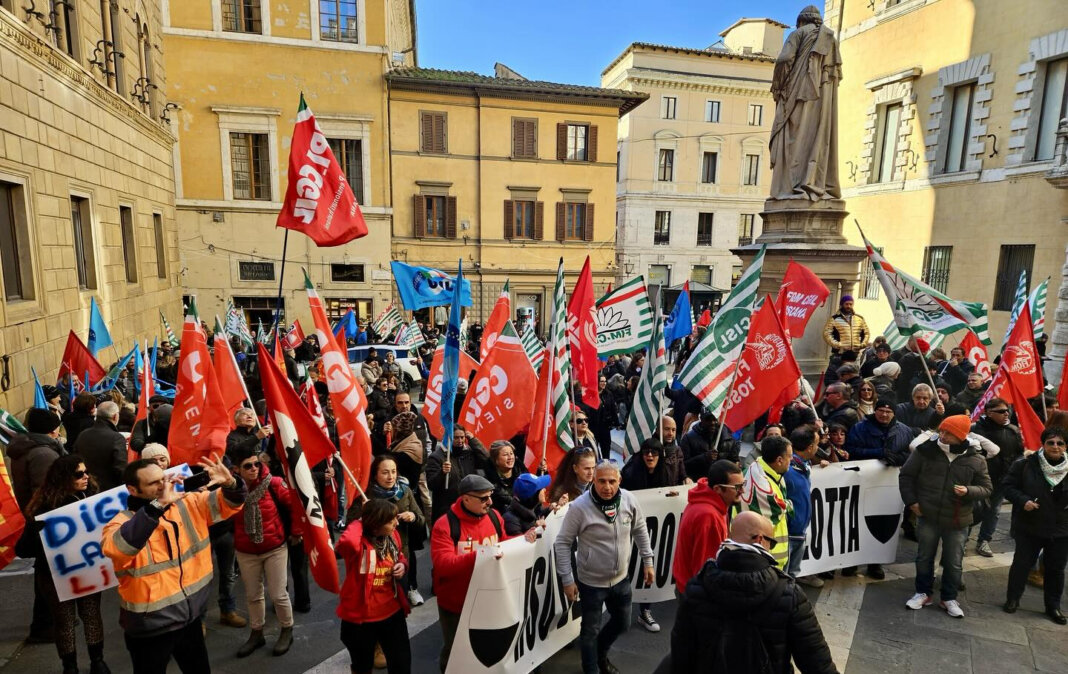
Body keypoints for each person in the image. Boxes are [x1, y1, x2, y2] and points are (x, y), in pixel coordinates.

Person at [102, 456, 245, 673]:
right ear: (133, 489)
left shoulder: (188, 503)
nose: (163, 486)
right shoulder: (120, 523)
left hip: (190, 618)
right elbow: (118, 548)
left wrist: (231, 484)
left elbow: (230, 504)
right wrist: (158, 506)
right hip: (150, 629)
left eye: (163, 479)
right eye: (153, 483)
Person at [670, 511, 839, 674]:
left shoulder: (697, 587)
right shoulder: (789, 593)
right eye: (771, 542)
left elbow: (681, 655)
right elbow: (817, 663)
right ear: (759, 539)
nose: (772, 548)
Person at [555, 461, 654, 674]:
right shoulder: (579, 507)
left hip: (621, 580)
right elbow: (562, 543)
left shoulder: (629, 499)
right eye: (601, 481)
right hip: (590, 583)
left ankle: (600, 654)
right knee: (590, 631)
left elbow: (640, 529)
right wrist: (567, 579)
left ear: (620, 481)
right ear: (593, 480)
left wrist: (648, 560)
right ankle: (592, 669)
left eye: (612, 481)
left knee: (622, 624)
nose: (607, 487)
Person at [431, 475, 530, 672]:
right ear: (466, 498)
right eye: (484, 498)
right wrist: (481, 555)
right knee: (455, 651)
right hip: (456, 604)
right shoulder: (444, 525)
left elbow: (502, 543)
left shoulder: (494, 517)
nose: (490, 502)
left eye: (490, 496)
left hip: (487, 598)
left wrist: (525, 539)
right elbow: (443, 565)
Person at [23, 455, 110, 674]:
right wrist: (37, 532)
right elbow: (22, 550)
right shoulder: (44, 506)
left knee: (91, 616)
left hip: (86, 569)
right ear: (63, 477)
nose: (86, 477)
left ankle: (97, 662)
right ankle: (69, 666)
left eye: (86, 472)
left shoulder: (91, 498)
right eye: (79, 474)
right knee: (64, 621)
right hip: (55, 573)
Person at [899, 415, 992, 618]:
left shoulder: (976, 459)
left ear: (960, 435)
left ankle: (949, 598)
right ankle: (922, 592)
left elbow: (986, 488)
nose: (942, 435)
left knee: (953, 561)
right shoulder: (925, 452)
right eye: (941, 431)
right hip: (928, 515)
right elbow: (906, 476)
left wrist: (968, 491)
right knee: (924, 557)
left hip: (958, 520)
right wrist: (912, 503)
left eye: (948, 432)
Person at [229, 447, 295, 657]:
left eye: (257, 463)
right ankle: (257, 633)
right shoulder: (230, 490)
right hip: (246, 551)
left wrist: (297, 532)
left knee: (278, 594)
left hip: (275, 547)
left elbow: (295, 505)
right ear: (236, 470)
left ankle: (287, 630)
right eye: (248, 466)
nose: (254, 469)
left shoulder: (273, 483)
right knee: (253, 596)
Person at [337, 498, 412, 674]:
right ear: (375, 524)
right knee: (362, 665)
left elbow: (399, 555)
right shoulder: (358, 545)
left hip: (392, 613)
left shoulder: (392, 536)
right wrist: (361, 519)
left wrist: (402, 565)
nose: (396, 522)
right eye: (389, 520)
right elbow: (346, 542)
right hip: (362, 619)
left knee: (401, 663)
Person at [1002, 427, 1068, 625]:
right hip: (1030, 525)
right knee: (1022, 565)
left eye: (1060, 443)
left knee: (1056, 569)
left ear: (1066, 446)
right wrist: (1023, 500)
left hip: (1061, 529)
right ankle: (1013, 599)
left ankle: (1053, 606)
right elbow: (1008, 486)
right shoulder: (1025, 464)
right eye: (1051, 442)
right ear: (1043, 444)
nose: (1055, 447)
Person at [346, 454, 425, 608]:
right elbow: (350, 525)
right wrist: (363, 511)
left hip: (401, 551)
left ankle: (410, 590)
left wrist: (413, 516)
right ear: (375, 474)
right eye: (385, 472)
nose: (391, 477)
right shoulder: (365, 494)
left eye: (394, 471)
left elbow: (421, 519)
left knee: (399, 592)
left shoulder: (405, 491)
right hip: (373, 555)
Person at [620, 438, 673, 633]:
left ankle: (645, 611)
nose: (650, 456)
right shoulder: (630, 473)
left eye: (654, 452)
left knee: (648, 568)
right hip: (629, 531)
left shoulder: (666, 473)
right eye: (646, 452)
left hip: (653, 531)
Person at [672, 459, 744, 591]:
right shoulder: (708, 516)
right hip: (698, 594)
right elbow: (705, 568)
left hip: (690, 587)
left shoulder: (709, 504)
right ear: (717, 489)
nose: (743, 491)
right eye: (737, 487)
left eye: (743, 484)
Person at [969, 397, 1021, 558]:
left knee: (994, 511)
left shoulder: (1013, 430)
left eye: (1007, 411)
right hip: (979, 479)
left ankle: (984, 540)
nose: (1006, 414)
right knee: (972, 510)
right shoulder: (976, 430)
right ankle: (962, 539)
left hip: (1001, 479)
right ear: (989, 413)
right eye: (1001, 411)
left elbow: (1019, 452)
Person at [785, 426, 830, 586]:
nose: (818, 448)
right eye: (817, 444)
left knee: (792, 574)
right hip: (789, 532)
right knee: (785, 575)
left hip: (798, 530)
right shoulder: (788, 470)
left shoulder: (802, 465)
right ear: (810, 447)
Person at [739, 435, 792, 569]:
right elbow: (780, 508)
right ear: (779, 460)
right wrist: (788, 505)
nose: (792, 460)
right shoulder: (763, 485)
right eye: (790, 457)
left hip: (770, 557)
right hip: (764, 560)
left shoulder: (761, 472)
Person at [425, 425, 490, 523]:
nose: (460, 440)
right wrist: (442, 473)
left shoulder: (468, 453)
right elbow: (431, 484)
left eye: (462, 437)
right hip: (446, 508)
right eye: (456, 437)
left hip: (467, 506)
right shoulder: (436, 457)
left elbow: (486, 460)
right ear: (448, 438)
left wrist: (473, 440)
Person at [74, 401, 127, 491]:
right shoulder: (116, 438)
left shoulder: (83, 434)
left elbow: (75, 457)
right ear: (115, 416)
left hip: (87, 486)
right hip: (109, 489)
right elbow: (121, 469)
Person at [844, 399, 913, 467]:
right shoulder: (858, 428)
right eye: (881, 410)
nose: (884, 414)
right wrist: (878, 452)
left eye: (888, 412)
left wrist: (898, 458)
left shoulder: (905, 431)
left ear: (894, 414)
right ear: (875, 411)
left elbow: (912, 454)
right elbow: (850, 450)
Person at [486, 440, 528, 513]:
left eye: (511, 454)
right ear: (496, 460)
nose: (510, 457)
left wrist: (540, 471)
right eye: (505, 455)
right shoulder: (488, 479)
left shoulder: (521, 471)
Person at [658, 416, 690, 485]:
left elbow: (682, 474)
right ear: (658, 429)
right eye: (667, 429)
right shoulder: (650, 450)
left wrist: (686, 479)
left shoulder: (677, 450)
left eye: (673, 430)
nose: (670, 433)